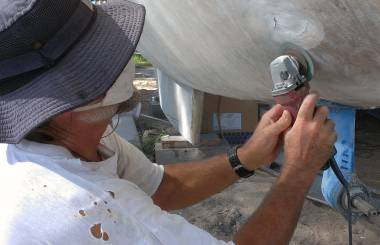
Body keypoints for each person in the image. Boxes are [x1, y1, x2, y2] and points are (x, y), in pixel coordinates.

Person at [0, 0, 337, 244]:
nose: (124, 56)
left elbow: (162, 189)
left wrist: (246, 157)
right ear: (68, 100)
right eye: (103, 56)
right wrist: (298, 172)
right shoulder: (85, 210)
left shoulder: (73, 135)